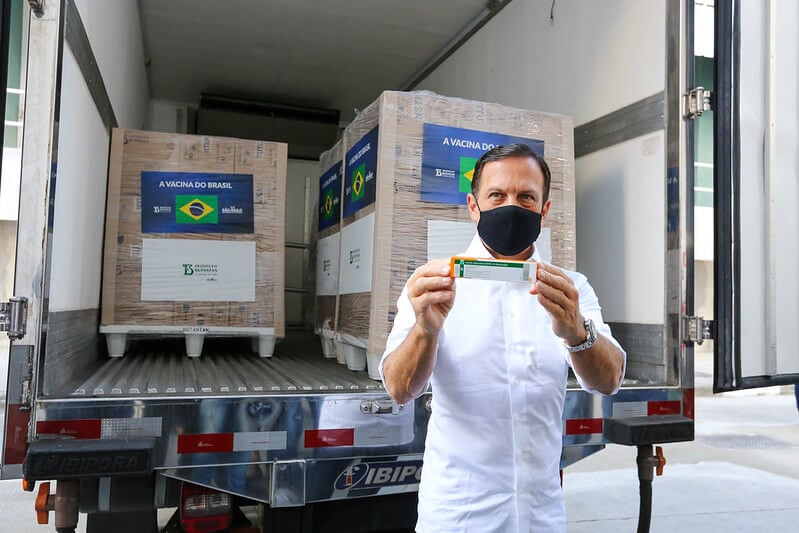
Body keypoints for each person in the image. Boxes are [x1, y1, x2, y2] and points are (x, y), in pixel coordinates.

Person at [379, 143, 626, 532]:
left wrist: (577, 331)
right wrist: (425, 330)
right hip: (459, 517)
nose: (512, 207)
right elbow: (399, 389)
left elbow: (608, 380)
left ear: (544, 209)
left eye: (526, 197)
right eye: (497, 195)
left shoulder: (571, 289)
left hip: (540, 516)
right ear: (473, 206)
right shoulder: (432, 285)